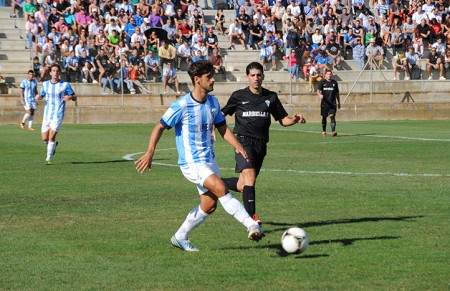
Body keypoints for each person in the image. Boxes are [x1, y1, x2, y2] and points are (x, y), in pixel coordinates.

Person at [135, 60, 263, 251]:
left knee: (209, 205)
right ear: (197, 80)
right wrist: (150, 151)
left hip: (209, 161)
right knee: (220, 188)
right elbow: (160, 126)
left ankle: (179, 237)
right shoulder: (182, 105)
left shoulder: (213, 102)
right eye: (209, 77)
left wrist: (238, 146)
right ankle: (250, 224)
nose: (213, 80)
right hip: (191, 162)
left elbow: (222, 127)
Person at [220, 62, 306, 225]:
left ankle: (214, 181)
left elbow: (283, 120)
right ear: (247, 77)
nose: (256, 78)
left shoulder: (271, 97)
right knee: (250, 178)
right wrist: (212, 126)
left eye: (258, 75)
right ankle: (251, 219)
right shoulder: (238, 96)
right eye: (252, 75)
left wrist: (294, 119)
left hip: (261, 145)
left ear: (263, 76)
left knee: (242, 184)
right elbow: (222, 114)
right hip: (243, 141)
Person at [36, 64, 77, 165]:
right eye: (53, 71)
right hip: (47, 114)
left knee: (51, 136)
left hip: (58, 114)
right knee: (44, 138)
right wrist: (38, 97)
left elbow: (75, 96)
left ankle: (48, 159)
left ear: (59, 72)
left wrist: (70, 98)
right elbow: (42, 95)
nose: (55, 72)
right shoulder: (45, 84)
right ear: (50, 73)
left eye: (57, 71)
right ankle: (54, 145)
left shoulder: (65, 85)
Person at [317, 69, 340, 137]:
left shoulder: (334, 83)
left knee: (332, 116)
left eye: (330, 74)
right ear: (325, 75)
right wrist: (319, 95)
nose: (329, 75)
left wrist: (339, 102)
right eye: (328, 74)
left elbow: (337, 93)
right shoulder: (322, 82)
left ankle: (333, 131)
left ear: (332, 75)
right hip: (324, 103)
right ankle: (324, 131)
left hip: (332, 103)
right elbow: (318, 90)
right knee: (324, 117)